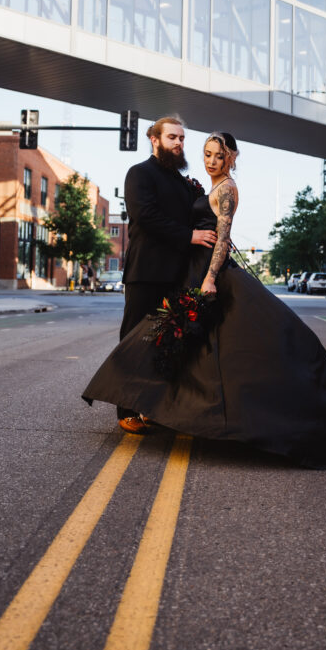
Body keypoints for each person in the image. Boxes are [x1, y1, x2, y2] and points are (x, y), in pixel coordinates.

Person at [83, 132, 326, 469]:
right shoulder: (204, 186)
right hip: (190, 272)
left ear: (231, 158)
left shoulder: (226, 189)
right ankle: (165, 409)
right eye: (206, 154)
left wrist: (209, 279)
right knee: (189, 348)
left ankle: (266, 418)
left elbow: (223, 239)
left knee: (238, 350)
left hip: (210, 274)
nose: (211, 161)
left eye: (218, 156)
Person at [107, 115, 216, 433]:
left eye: (182, 138)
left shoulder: (183, 183)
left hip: (178, 275)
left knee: (166, 343)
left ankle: (152, 408)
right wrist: (190, 236)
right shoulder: (139, 173)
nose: (179, 143)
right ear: (154, 139)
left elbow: (196, 215)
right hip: (146, 272)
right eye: (172, 137)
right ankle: (126, 409)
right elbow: (147, 217)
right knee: (134, 339)